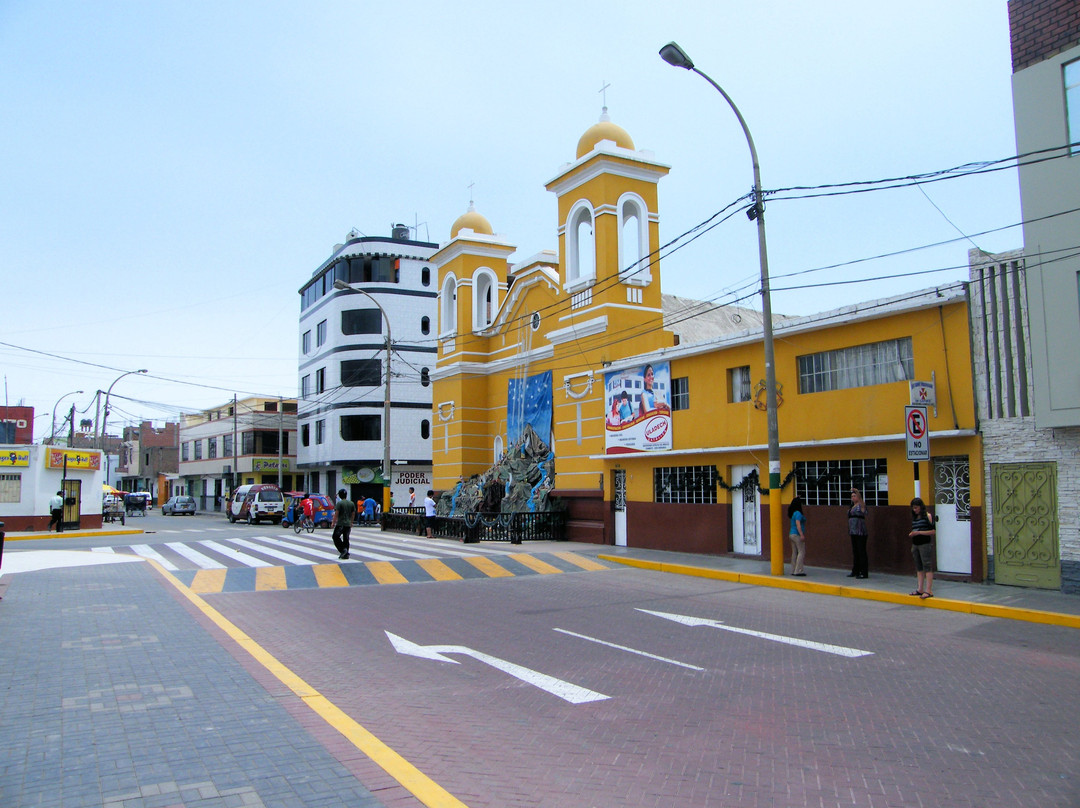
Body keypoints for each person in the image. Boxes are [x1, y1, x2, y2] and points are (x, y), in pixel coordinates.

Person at [909, 497, 936, 599]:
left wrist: (919, 532)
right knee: (919, 567)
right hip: (915, 543)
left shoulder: (927, 516)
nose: (914, 510)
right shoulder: (914, 518)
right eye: (913, 508)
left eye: (916, 508)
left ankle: (928, 590)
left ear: (921, 507)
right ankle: (920, 588)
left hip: (925, 544)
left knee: (927, 566)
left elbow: (932, 531)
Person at [847, 488, 869, 579]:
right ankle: (855, 570)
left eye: (854, 496)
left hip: (860, 531)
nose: (853, 497)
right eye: (852, 496)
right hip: (853, 531)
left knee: (861, 551)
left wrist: (858, 493)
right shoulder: (852, 506)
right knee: (855, 551)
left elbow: (863, 508)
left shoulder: (860, 505)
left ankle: (864, 572)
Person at [331, 490, 355, 559]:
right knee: (346, 539)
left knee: (335, 537)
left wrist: (333, 522)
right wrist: (351, 522)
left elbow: (336, 513)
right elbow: (353, 514)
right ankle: (346, 554)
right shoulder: (351, 503)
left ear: (340, 495)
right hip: (348, 524)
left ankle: (343, 550)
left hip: (340, 524)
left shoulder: (339, 503)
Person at [788, 497, 807, 576]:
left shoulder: (793, 513)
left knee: (794, 552)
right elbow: (798, 524)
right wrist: (801, 534)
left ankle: (793, 570)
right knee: (801, 551)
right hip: (797, 534)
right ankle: (798, 570)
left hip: (791, 534)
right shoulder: (798, 513)